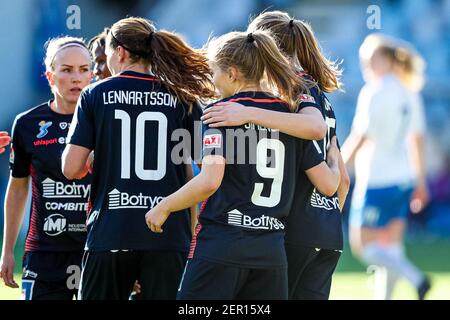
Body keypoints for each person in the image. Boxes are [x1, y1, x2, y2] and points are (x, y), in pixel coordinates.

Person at [145, 30, 341, 300]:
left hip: (222, 244)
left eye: (214, 72)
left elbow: (210, 181)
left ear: (232, 73)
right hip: (271, 252)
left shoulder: (221, 113)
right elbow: (329, 181)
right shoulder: (292, 117)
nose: (212, 81)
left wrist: (164, 206)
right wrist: (334, 158)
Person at [62, 17, 215, 300]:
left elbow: (70, 168)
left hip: (111, 233)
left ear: (119, 52)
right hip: (168, 236)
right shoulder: (183, 97)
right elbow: (198, 171)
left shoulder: (95, 94)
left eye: (107, 52)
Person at [201, 10, 350, 299]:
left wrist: (246, 112)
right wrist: (326, 221)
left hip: (291, 229)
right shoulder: (322, 97)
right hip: (328, 231)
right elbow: (340, 179)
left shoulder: (291, 88)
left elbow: (316, 133)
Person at [0, 36, 92, 300]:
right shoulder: (28, 123)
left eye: (84, 70)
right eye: (67, 70)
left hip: (97, 249)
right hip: (45, 253)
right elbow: (18, 187)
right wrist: (7, 250)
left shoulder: (108, 119)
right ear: (50, 76)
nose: (76, 78)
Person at [342, 34, 431, 300]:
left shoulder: (375, 92)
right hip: (403, 178)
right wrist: (421, 181)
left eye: (370, 61)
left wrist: (340, 167)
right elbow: (418, 139)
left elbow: (360, 135)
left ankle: (415, 277)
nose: (366, 68)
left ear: (386, 60)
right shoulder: (409, 91)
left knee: (361, 245)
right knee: (391, 248)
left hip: (377, 179)